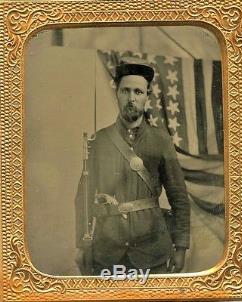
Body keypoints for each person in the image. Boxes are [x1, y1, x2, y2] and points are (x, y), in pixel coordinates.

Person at [75, 57, 190, 275]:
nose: (131, 98)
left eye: (138, 92)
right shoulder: (99, 140)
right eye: (125, 91)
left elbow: (179, 197)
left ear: (147, 96)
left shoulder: (161, 139)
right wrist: (81, 245)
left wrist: (181, 246)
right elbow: (84, 196)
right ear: (116, 93)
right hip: (107, 251)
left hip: (153, 250)